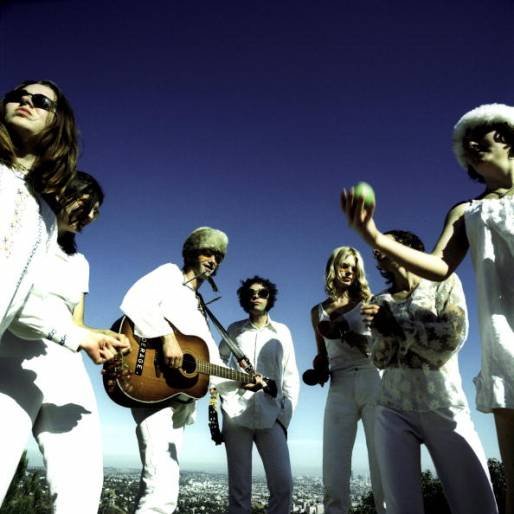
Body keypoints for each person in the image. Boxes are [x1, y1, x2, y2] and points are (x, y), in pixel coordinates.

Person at [341, 103, 514, 512]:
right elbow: (439, 266)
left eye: (482, 133)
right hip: (506, 345)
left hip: (443, 403)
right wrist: (374, 236)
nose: (471, 144)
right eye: (464, 143)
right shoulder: (467, 211)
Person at [364, 230, 497, 514]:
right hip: (392, 409)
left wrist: (396, 327)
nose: (377, 248)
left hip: (444, 405)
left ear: (410, 247)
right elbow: (380, 359)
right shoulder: (379, 300)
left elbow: (451, 338)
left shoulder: (443, 282)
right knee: (401, 508)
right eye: (375, 246)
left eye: (388, 240)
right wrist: (381, 331)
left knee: (476, 503)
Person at [0, 171, 110, 511]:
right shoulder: (26, 232)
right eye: (87, 204)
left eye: (96, 212)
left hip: (66, 364)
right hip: (13, 358)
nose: (90, 215)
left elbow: (77, 323)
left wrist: (99, 337)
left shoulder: (80, 263)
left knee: (82, 485)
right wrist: (77, 335)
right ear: (64, 192)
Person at [0, 80, 127, 362]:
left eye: (41, 102)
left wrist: (84, 337)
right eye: (17, 96)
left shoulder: (44, 220)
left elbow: (17, 300)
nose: (26, 101)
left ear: (59, 124)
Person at [120, 226, 242, 514]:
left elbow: (209, 358)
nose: (213, 261)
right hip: (152, 384)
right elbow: (135, 300)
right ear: (192, 252)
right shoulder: (169, 275)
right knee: (160, 491)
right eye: (208, 252)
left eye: (219, 257)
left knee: (163, 486)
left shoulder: (199, 304)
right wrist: (166, 337)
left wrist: (242, 381)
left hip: (181, 399)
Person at [309, 247, 384, 514]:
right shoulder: (318, 311)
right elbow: (322, 355)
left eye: (354, 267)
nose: (349, 271)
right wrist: (318, 370)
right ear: (333, 268)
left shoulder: (369, 302)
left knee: (382, 463)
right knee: (334, 466)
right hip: (339, 384)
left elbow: (379, 349)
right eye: (344, 266)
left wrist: (344, 332)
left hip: (372, 378)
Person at [218, 276, 299, 514]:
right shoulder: (234, 330)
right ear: (245, 298)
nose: (256, 296)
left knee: (283, 486)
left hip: (272, 416)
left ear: (269, 297)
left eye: (262, 292)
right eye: (251, 293)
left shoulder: (282, 332)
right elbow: (217, 363)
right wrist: (229, 396)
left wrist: (283, 417)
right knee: (239, 491)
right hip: (236, 414)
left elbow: (291, 376)